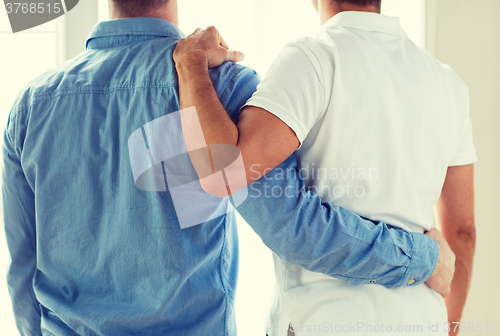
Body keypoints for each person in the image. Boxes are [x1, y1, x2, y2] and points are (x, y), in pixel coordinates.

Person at [2, 0, 454, 335]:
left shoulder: (29, 106)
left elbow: (22, 271)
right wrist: (422, 257)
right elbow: (294, 226)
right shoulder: (221, 87)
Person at [173, 0, 476, 335]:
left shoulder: (314, 58)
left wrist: (191, 67)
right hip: (421, 322)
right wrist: (448, 326)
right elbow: (463, 232)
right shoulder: (449, 85)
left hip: (324, 321)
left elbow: (224, 173)